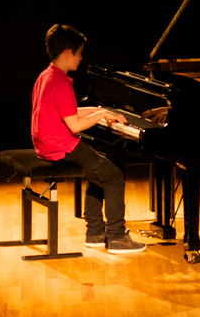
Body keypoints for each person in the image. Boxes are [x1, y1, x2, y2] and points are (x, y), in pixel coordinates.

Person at [34, 24, 146, 254]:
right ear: (67, 53)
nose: (81, 58)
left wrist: (97, 109)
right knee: (113, 176)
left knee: (98, 172)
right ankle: (116, 236)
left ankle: (95, 233)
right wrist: (102, 114)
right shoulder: (61, 83)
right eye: (79, 53)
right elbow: (74, 124)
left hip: (47, 144)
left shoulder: (47, 76)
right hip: (62, 147)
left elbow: (68, 112)